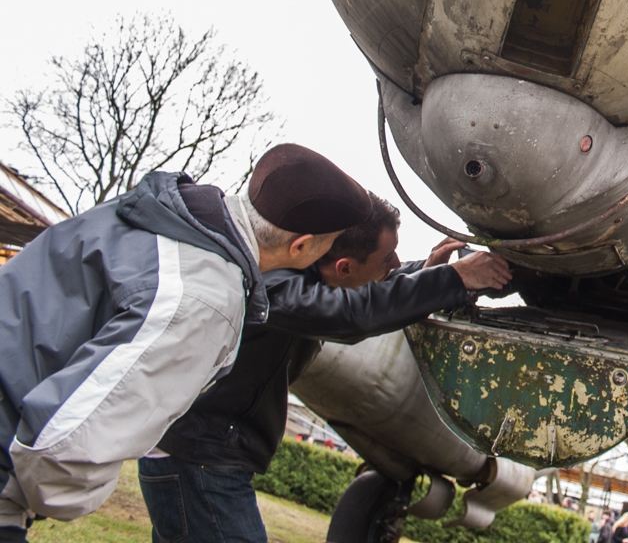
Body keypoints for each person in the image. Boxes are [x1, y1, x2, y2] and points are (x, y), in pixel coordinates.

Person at [0, 143, 371, 542]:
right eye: (330, 243)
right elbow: (66, 447)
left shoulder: (161, 212)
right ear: (301, 246)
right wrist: (42, 500)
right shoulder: (205, 298)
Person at [139, 192, 511, 543]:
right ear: (343, 266)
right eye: (388, 258)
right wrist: (454, 278)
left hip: (200, 458)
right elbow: (351, 312)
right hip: (199, 462)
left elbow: (368, 288)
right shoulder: (275, 289)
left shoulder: (303, 275)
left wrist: (428, 273)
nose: (396, 264)